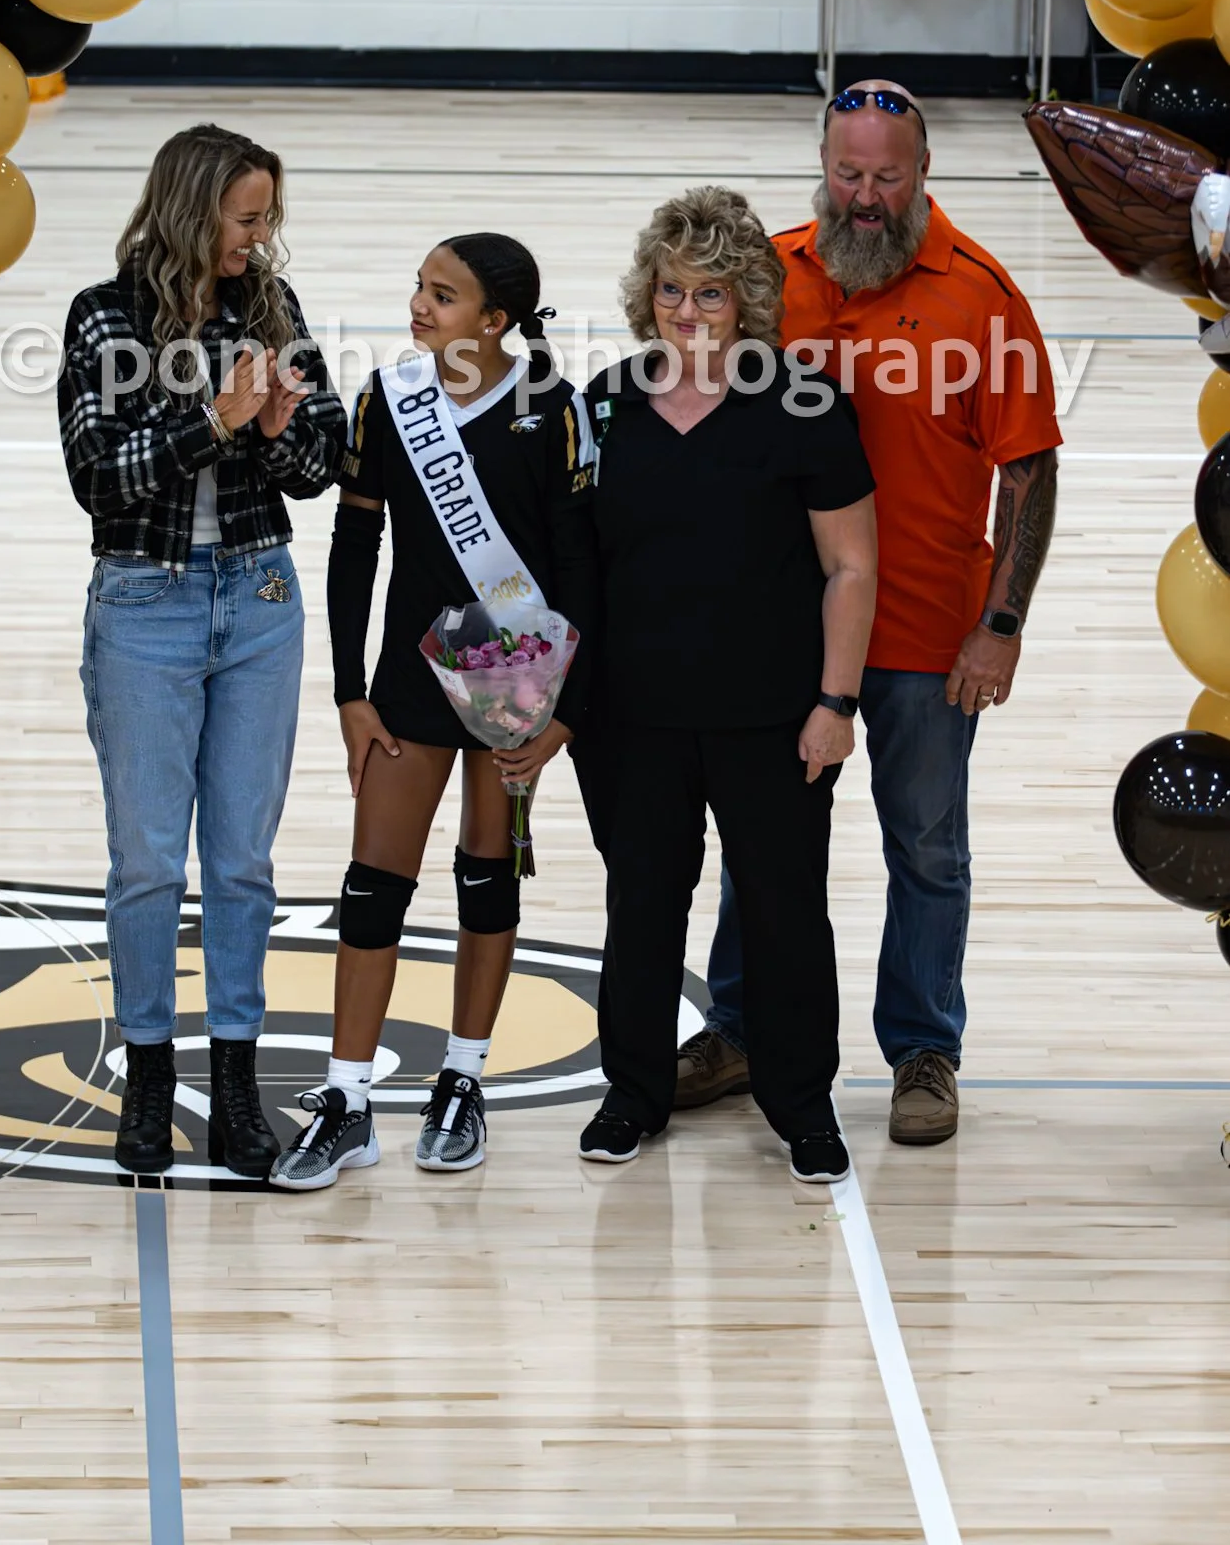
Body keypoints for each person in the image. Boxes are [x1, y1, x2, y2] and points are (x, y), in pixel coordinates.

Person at [677, 83, 1061, 1147]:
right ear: (822, 164)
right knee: (760, 843)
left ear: (923, 172)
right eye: (847, 172)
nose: (864, 196)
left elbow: (1029, 471)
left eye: (887, 176)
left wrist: (1001, 625)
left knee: (927, 848)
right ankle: (739, 1029)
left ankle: (923, 1049)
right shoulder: (768, 276)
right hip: (782, 631)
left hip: (930, 633)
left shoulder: (981, 294)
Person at [270, 234, 596, 1191]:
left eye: (443, 295)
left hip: (512, 677)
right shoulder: (389, 397)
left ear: (495, 321)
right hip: (410, 681)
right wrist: (349, 690)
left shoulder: (553, 408)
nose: (419, 304)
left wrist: (562, 713)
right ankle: (347, 1100)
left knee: (486, 881)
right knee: (373, 888)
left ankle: (462, 1080)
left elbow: (582, 569)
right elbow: (354, 545)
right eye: (419, 286)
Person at [59, 123, 346, 1179]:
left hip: (260, 595)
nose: (260, 236)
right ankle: (145, 1074)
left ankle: (234, 1081)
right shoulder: (105, 315)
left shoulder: (274, 308)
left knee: (240, 860)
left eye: (267, 217)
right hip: (146, 603)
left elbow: (322, 460)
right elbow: (99, 475)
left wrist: (275, 430)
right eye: (246, 218)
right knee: (146, 859)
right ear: (192, 211)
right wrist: (217, 422)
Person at [576, 186, 878, 1185]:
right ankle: (633, 1092)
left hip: (773, 720)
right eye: (671, 289)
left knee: (786, 916)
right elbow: (575, 565)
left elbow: (850, 567)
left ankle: (803, 1105)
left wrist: (835, 704)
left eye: (710, 292)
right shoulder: (606, 403)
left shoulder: (806, 405)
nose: (687, 310)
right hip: (634, 720)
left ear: (747, 298)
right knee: (641, 909)